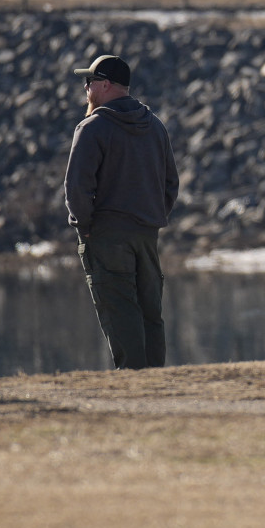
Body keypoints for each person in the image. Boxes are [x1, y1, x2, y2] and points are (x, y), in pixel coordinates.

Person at [64, 54, 179, 370]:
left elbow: (77, 187)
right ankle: (155, 381)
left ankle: (134, 383)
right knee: (149, 311)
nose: (86, 89)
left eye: (89, 82)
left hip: (106, 234)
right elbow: (171, 183)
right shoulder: (154, 125)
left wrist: (83, 225)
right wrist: (154, 217)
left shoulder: (92, 128)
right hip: (146, 234)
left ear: (105, 85)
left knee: (119, 307)